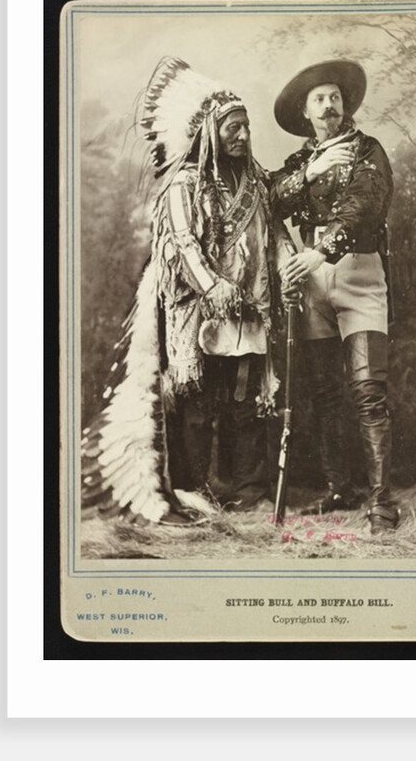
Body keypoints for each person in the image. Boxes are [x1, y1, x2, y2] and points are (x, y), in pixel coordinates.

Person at [82, 57, 294, 525]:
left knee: (245, 402)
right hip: (196, 312)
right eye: (233, 128)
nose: (243, 136)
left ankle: (248, 491)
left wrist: (289, 266)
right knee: (197, 405)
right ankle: (195, 491)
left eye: (246, 127)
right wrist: (212, 286)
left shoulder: (256, 184)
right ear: (211, 132)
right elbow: (181, 244)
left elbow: (274, 235)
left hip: (249, 311)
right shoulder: (183, 185)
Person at [271, 59, 400, 535]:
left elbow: (365, 207)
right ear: (306, 112)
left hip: (358, 274)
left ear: (345, 106)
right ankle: (339, 488)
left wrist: (320, 252)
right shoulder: (301, 161)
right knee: (325, 393)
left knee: (368, 391)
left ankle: (381, 502)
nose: (329, 106)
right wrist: (311, 172)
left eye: (335, 98)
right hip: (311, 284)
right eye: (319, 99)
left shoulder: (368, 151)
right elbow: (271, 201)